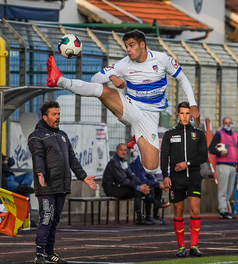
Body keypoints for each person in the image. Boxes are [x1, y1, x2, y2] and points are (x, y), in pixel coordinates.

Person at [46, 29, 199, 174]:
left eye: (131, 45)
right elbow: (95, 80)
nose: (128, 49)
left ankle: (137, 142)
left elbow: (182, 78)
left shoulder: (162, 59)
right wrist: (112, 77)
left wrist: (193, 105)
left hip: (151, 116)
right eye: (126, 46)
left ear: (142, 44)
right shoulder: (123, 64)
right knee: (103, 91)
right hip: (131, 107)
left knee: (151, 168)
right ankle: (59, 79)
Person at [28, 101, 97, 264]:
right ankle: (39, 253)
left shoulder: (62, 135)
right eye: (54, 114)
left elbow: (72, 159)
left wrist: (83, 176)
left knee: (55, 219)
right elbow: (38, 156)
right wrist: (40, 173)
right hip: (46, 185)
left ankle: (50, 252)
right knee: (46, 217)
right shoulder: (36, 136)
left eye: (58, 114)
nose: (57, 117)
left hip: (61, 185)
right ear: (45, 117)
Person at [161, 101, 208, 257]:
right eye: (182, 113)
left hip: (194, 177)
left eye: (188, 113)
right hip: (176, 179)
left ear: (191, 115)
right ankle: (181, 247)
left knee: (194, 209)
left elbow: (203, 156)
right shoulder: (170, 134)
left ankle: (194, 245)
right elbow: (163, 157)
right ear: (177, 115)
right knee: (178, 211)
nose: (185, 116)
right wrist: (165, 176)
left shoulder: (199, 134)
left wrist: (187, 164)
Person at [0, 136, 36, 226]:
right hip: (3, 181)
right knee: (25, 194)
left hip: (12, 177)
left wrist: (5, 161)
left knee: (29, 174)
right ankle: (30, 219)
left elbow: (12, 161)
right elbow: (0, 166)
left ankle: (24, 185)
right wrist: (4, 163)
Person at [102, 143, 151, 225]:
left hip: (120, 187)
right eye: (121, 150)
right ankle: (139, 218)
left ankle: (149, 217)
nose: (123, 152)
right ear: (117, 151)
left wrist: (143, 185)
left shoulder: (123, 162)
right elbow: (123, 180)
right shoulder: (114, 163)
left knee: (147, 189)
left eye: (125, 150)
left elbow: (132, 176)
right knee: (138, 191)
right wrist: (138, 187)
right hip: (112, 189)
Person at [209, 117, 238, 219]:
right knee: (223, 189)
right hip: (223, 164)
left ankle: (225, 209)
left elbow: (237, 149)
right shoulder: (219, 134)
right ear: (222, 123)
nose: (228, 125)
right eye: (226, 123)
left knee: (229, 190)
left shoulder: (234, 135)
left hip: (233, 165)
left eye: (230, 123)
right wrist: (219, 152)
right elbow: (211, 148)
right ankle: (222, 210)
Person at [129, 156, 170, 225]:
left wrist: (159, 185)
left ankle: (155, 215)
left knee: (157, 188)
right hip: (133, 187)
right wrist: (158, 184)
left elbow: (150, 177)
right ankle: (147, 216)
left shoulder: (147, 162)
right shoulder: (138, 163)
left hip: (141, 185)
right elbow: (142, 180)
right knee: (150, 188)